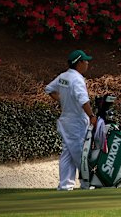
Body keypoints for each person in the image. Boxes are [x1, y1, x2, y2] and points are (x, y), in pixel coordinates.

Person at [45, 49, 97, 190]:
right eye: (85, 61)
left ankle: (65, 185)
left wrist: (63, 101)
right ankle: (87, 182)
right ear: (79, 63)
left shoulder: (63, 76)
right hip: (77, 122)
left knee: (67, 153)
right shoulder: (77, 79)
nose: (87, 64)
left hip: (66, 120)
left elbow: (49, 89)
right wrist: (92, 116)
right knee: (80, 152)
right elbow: (83, 101)